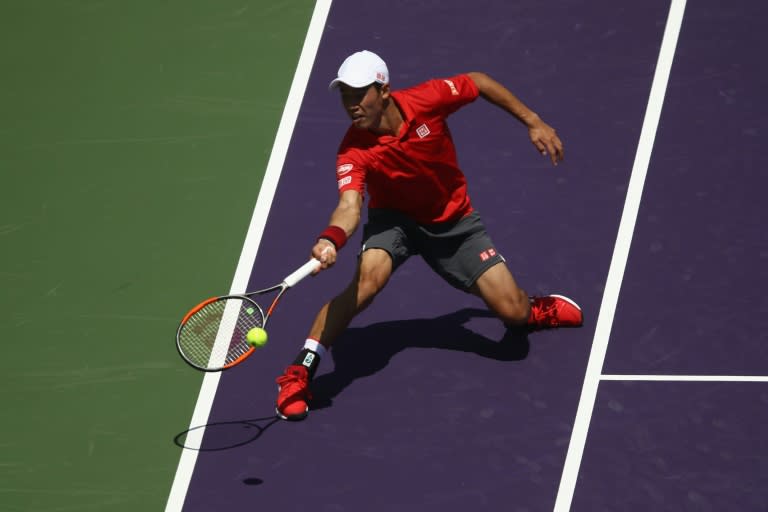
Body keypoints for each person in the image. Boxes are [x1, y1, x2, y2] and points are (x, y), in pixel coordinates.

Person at [275, 50, 583, 421]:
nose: (351, 105)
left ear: (384, 90)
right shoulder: (352, 151)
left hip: (453, 223)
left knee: (513, 312)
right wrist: (331, 239)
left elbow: (479, 80)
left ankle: (532, 312)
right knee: (367, 282)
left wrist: (533, 121)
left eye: (359, 95)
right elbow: (349, 205)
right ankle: (298, 373)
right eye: (345, 96)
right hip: (394, 222)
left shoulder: (429, 100)